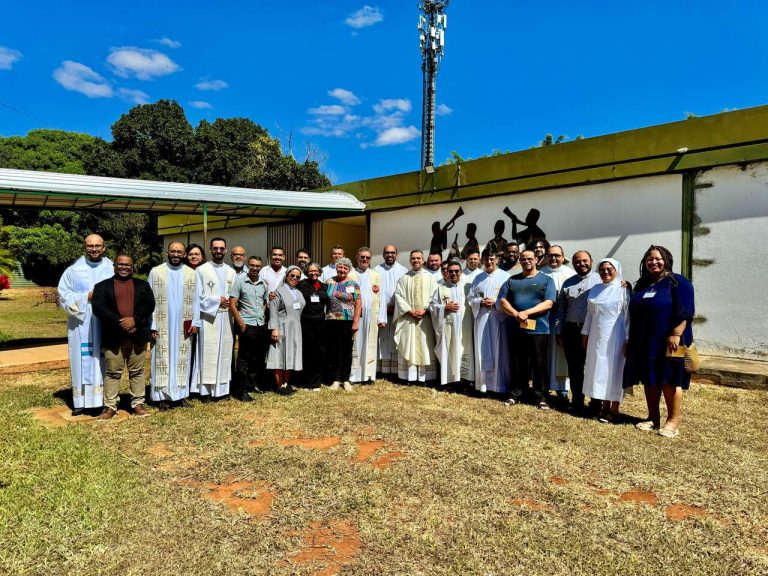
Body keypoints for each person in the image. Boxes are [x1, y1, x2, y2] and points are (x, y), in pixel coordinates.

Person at [625, 245, 695, 438]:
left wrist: (676, 333)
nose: (653, 262)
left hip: (672, 340)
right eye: (649, 259)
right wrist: (629, 289)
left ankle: (672, 422)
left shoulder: (678, 281)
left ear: (667, 260)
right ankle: (653, 418)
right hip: (647, 340)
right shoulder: (644, 284)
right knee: (650, 378)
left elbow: (686, 310)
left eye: (658, 258)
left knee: (670, 379)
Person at [92, 254, 155, 419]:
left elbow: (149, 305)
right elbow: (99, 309)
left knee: (137, 372)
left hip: (137, 336)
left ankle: (138, 404)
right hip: (113, 337)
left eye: (128, 265)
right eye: (120, 264)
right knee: (113, 372)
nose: (124, 267)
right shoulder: (102, 287)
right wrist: (122, 323)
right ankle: (110, 407)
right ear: (114, 266)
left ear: (132, 267)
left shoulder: (143, 285)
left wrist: (134, 320)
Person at [57, 234, 114, 416]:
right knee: (81, 359)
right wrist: (86, 297)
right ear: (85, 247)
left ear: (104, 247)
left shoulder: (112, 268)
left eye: (98, 245)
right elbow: (63, 296)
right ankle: (81, 401)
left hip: (104, 321)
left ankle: (104, 400)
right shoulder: (74, 270)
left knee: (105, 359)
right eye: (90, 246)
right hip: (81, 322)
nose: (94, 249)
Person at [498, 249, 556, 408]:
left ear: (536, 260)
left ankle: (541, 397)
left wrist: (526, 313)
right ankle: (516, 393)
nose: (526, 261)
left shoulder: (546, 280)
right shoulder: (512, 280)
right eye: (523, 259)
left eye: (529, 258)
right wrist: (516, 314)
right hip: (516, 329)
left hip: (539, 329)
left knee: (539, 364)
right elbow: (502, 301)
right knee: (517, 362)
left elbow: (549, 303)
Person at [148, 241, 198, 410]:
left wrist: (196, 323)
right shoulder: (156, 272)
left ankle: (180, 395)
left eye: (179, 252)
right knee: (162, 358)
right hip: (161, 323)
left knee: (182, 358)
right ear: (167, 252)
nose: (176, 254)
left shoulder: (191, 273)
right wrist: (152, 324)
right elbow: (148, 301)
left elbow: (197, 300)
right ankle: (161, 397)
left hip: (184, 324)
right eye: (173, 251)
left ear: (184, 254)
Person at [581, 258, 631, 423]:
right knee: (599, 370)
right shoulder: (595, 289)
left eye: (609, 269)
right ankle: (604, 406)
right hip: (597, 336)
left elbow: (628, 317)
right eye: (602, 269)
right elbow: (589, 314)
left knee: (614, 370)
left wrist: (628, 340)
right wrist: (585, 334)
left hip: (616, 337)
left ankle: (614, 409)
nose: (606, 272)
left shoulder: (623, 289)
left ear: (616, 270)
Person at [556, 250, 601, 413]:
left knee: (594, 367)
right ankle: (577, 401)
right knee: (575, 368)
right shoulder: (568, 283)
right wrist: (558, 330)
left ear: (591, 261)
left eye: (584, 261)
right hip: (571, 331)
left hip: (592, 331)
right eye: (577, 262)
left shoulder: (601, 280)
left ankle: (596, 402)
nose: (581, 264)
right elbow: (561, 309)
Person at [193, 237, 236, 401]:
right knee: (208, 353)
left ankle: (223, 390)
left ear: (226, 250)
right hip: (209, 318)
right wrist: (217, 300)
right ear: (210, 249)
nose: (218, 251)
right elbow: (198, 297)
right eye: (215, 248)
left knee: (225, 354)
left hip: (227, 319)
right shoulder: (202, 270)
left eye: (221, 248)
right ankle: (206, 392)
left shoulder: (231, 272)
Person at [468, 251, 511, 394]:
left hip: (499, 319)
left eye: (492, 259)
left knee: (500, 351)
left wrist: (496, 303)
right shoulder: (477, 278)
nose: (489, 262)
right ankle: (483, 385)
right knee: (482, 348)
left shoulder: (506, 277)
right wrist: (480, 302)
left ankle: (499, 386)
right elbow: (470, 298)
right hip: (481, 319)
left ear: (497, 260)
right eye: (486, 259)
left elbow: (510, 298)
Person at [394, 250, 438, 384]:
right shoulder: (404, 278)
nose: (416, 260)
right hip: (409, 318)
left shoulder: (430, 277)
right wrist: (409, 310)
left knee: (425, 345)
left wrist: (425, 310)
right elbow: (398, 295)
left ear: (423, 260)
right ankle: (410, 377)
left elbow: (434, 296)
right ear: (410, 260)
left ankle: (425, 378)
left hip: (425, 319)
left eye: (418, 258)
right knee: (409, 344)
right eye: (413, 258)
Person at [229, 256, 269, 400]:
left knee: (257, 357)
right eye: (252, 265)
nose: (255, 268)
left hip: (260, 325)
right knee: (243, 358)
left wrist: (262, 316)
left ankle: (252, 385)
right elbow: (232, 304)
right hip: (247, 325)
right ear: (248, 265)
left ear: (261, 267)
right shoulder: (240, 282)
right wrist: (241, 323)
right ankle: (240, 390)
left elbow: (264, 302)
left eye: (258, 266)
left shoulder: (263, 284)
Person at [540, 245, 577, 402]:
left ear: (563, 257)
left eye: (557, 255)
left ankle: (562, 388)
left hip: (562, 321)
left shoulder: (571, 274)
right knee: (544, 353)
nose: (553, 258)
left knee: (561, 354)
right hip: (544, 319)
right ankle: (544, 386)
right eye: (550, 255)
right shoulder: (540, 273)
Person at [430, 260, 474, 389]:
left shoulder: (467, 287)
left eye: (456, 271)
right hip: (449, 327)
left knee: (465, 350)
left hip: (464, 327)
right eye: (451, 271)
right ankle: (449, 380)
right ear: (446, 273)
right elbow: (432, 307)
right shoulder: (441, 289)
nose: (453, 273)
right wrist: (445, 307)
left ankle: (465, 380)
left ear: (461, 272)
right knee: (449, 350)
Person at [267, 266, 305, 394]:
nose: (294, 278)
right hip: (281, 327)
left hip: (295, 328)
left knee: (289, 355)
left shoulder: (298, 292)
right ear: (287, 275)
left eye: (297, 276)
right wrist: (274, 329)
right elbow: (273, 310)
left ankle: (286, 384)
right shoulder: (278, 292)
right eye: (292, 275)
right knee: (279, 355)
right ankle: (279, 386)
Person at [325, 257, 362, 391]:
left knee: (347, 350)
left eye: (345, 268)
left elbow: (358, 303)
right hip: (331, 320)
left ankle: (345, 379)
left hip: (347, 321)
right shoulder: (329, 281)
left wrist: (356, 321)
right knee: (334, 350)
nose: (342, 270)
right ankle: (335, 379)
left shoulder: (352, 284)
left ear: (349, 270)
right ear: (336, 267)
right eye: (340, 267)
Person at [349, 247, 384, 384]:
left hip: (371, 315)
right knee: (356, 343)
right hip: (355, 315)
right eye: (362, 257)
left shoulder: (375, 275)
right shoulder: (350, 274)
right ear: (357, 258)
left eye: (367, 257)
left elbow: (382, 297)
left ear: (370, 259)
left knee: (370, 343)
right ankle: (354, 375)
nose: (364, 259)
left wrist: (381, 318)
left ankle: (368, 375)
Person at [374, 245, 408, 375]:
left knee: (395, 339)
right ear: (383, 255)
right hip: (380, 312)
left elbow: (405, 292)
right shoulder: (376, 270)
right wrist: (382, 308)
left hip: (397, 312)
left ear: (396, 254)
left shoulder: (403, 270)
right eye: (387, 253)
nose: (390, 255)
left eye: (392, 253)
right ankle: (380, 370)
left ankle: (394, 371)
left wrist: (396, 307)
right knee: (381, 340)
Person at [297, 262, 329, 390]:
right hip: (306, 322)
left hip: (321, 323)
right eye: (311, 271)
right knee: (306, 351)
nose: (313, 273)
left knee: (319, 352)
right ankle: (305, 382)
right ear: (307, 272)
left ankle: (316, 382)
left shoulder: (325, 287)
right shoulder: (301, 285)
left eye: (316, 271)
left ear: (320, 272)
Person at [183, 243, 205, 393]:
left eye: (197, 254)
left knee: (199, 352)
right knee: (186, 351)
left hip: (204, 318)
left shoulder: (205, 272)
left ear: (202, 257)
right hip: (184, 317)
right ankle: (185, 385)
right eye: (191, 254)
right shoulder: (182, 272)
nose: (194, 256)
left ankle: (196, 384)